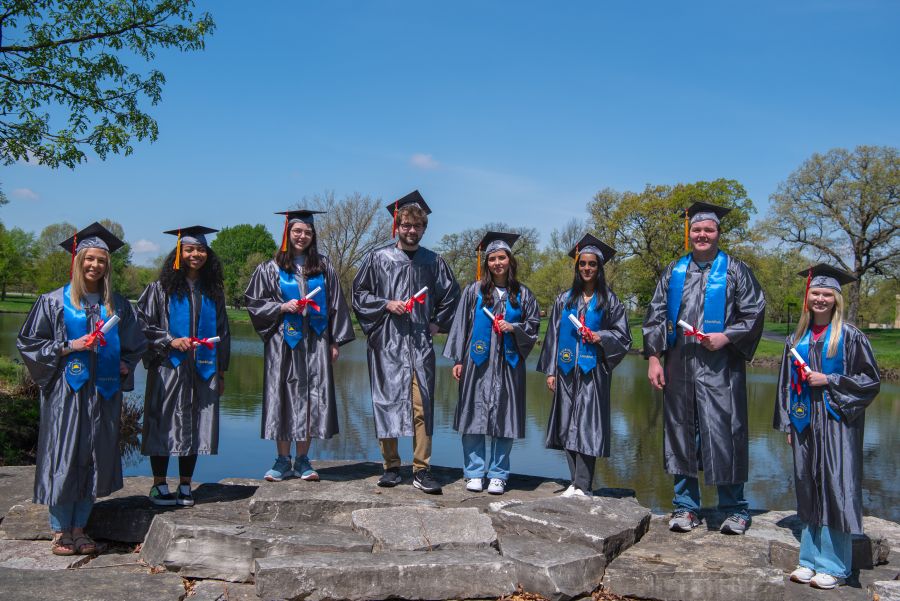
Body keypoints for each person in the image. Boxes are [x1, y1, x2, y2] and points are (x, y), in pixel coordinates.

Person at [16, 222, 147, 556]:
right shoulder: (53, 302)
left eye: (101, 260)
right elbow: (29, 344)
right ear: (78, 261)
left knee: (93, 454)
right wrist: (68, 345)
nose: (95, 265)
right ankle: (60, 530)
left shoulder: (118, 305)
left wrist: (126, 365)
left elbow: (136, 345)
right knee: (64, 453)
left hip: (102, 394)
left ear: (107, 265)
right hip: (66, 393)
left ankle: (80, 528)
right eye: (89, 258)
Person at [642, 201, 766, 534]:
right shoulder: (674, 271)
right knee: (681, 433)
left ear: (718, 233)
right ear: (689, 233)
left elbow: (754, 313)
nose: (702, 234)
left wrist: (727, 336)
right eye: (696, 229)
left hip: (721, 369)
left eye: (708, 229)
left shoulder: (736, 270)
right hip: (680, 365)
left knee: (725, 432)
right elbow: (655, 315)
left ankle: (735, 509)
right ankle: (685, 507)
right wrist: (654, 357)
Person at [775, 264, 880, 590]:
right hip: (806, 424)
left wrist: (830, 380)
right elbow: (784, 385)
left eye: (826, 294)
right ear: (808, 298)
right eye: (815, 293)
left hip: (838, 425)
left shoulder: (850, 336)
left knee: (836, 488)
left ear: (836, 298)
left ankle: (835, 566)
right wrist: (789, 423)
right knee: (808, 487)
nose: (820, 299)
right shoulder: (796, 338)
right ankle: (809, 560)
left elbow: (869, 381)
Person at [352, 190, 460, 494]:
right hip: (387, 343)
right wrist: (386, 304)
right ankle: (390, 466)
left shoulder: (433, 261)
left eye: (417, 226)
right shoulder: (378, 258)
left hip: (419, 344)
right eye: (406, 226)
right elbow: (359, 295)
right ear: (396, 227)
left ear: (424, 228)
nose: (411, 231)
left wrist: (438, 322)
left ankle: (421, 469)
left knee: (421, 406)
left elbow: (452, 297)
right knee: (386, 403)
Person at [245, 210, 355, 481]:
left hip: (316, 341)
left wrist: (335, 341)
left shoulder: (324, 267)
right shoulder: (270, 268)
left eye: (307, 232)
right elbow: (254, 303)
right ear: (287, 233)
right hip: (282, 341)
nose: (302, 236)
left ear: (313, 235)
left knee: (311, 397)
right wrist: (281, 306)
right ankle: (282, 460)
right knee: (282, 396)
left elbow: (337, 305)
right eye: (297, 231)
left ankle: (303, 460)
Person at [137, 226, 230, 506]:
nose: (196, 254)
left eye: (200, 249)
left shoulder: (213, 292)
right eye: (189, 249)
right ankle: (159, 485)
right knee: (162, 422)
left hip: (202, 369)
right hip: (168, 367)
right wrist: (169, 340)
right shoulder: (159, 289)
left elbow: (223, 333)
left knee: (195, 424)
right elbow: (142, 325)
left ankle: (186, 486)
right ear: (178, 253)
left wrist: (221, 371)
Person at [443, 232, 540, 495]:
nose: (497, 263)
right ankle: (474, 472)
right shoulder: (473, 292)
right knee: (474, 413)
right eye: (493, 259)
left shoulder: (522, 294)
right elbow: (461, 326)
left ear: (510, 261)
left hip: (509, 364)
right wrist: (458, 359)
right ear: (487, 263)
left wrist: (514, 327)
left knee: (504, 417)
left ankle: (498, 474)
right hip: (478, 363)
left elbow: (533, 327)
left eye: (502, 258)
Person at [537, 234, 632, 497]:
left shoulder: (609, 301)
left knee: (588, 426)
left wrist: (601, 336)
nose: (587, 268)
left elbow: (624, 337)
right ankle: (574, 482)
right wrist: (550, 371)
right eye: (582, 264)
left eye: (592, 264)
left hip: (594, 372)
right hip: (566, 371)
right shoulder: (564, 299)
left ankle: (584, 484)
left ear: (600, 268)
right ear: (577, 267)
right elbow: (553, 336)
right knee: (567, 423)